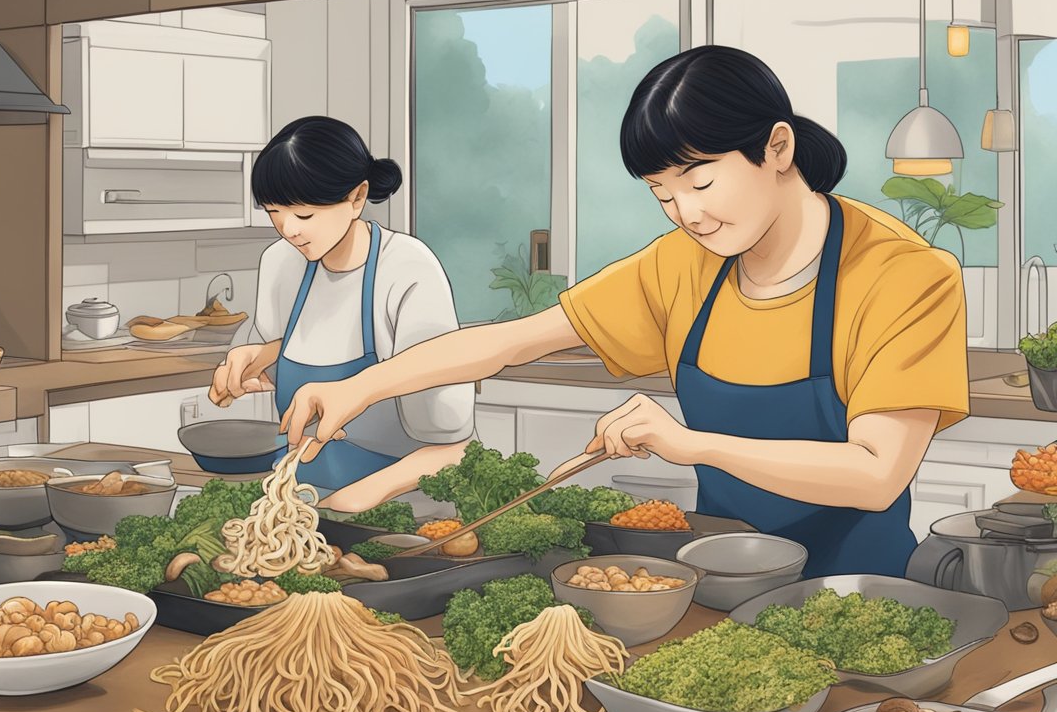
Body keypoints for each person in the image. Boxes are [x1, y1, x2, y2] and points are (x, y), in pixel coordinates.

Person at [279, 47, 970, 578]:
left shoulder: (903, 275)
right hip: (720, 574)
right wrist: (360, 386)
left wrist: (689, 444)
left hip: (852, 590)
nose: (687, 213)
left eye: (700, 180)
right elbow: (509, 343)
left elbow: (877, 474)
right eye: (662, 193)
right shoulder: (683, 265)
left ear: (778, 148)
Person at [209, 116, 475, 516]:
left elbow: (453, 446)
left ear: (357, 197)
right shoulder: (282, 264)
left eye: (304, 215)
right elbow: (288, 368)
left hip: (406, 514)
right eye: (275, 213)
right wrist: (258, 358)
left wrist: (356, 500)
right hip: (299, 509)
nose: (289, 231)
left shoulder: (405, 269)